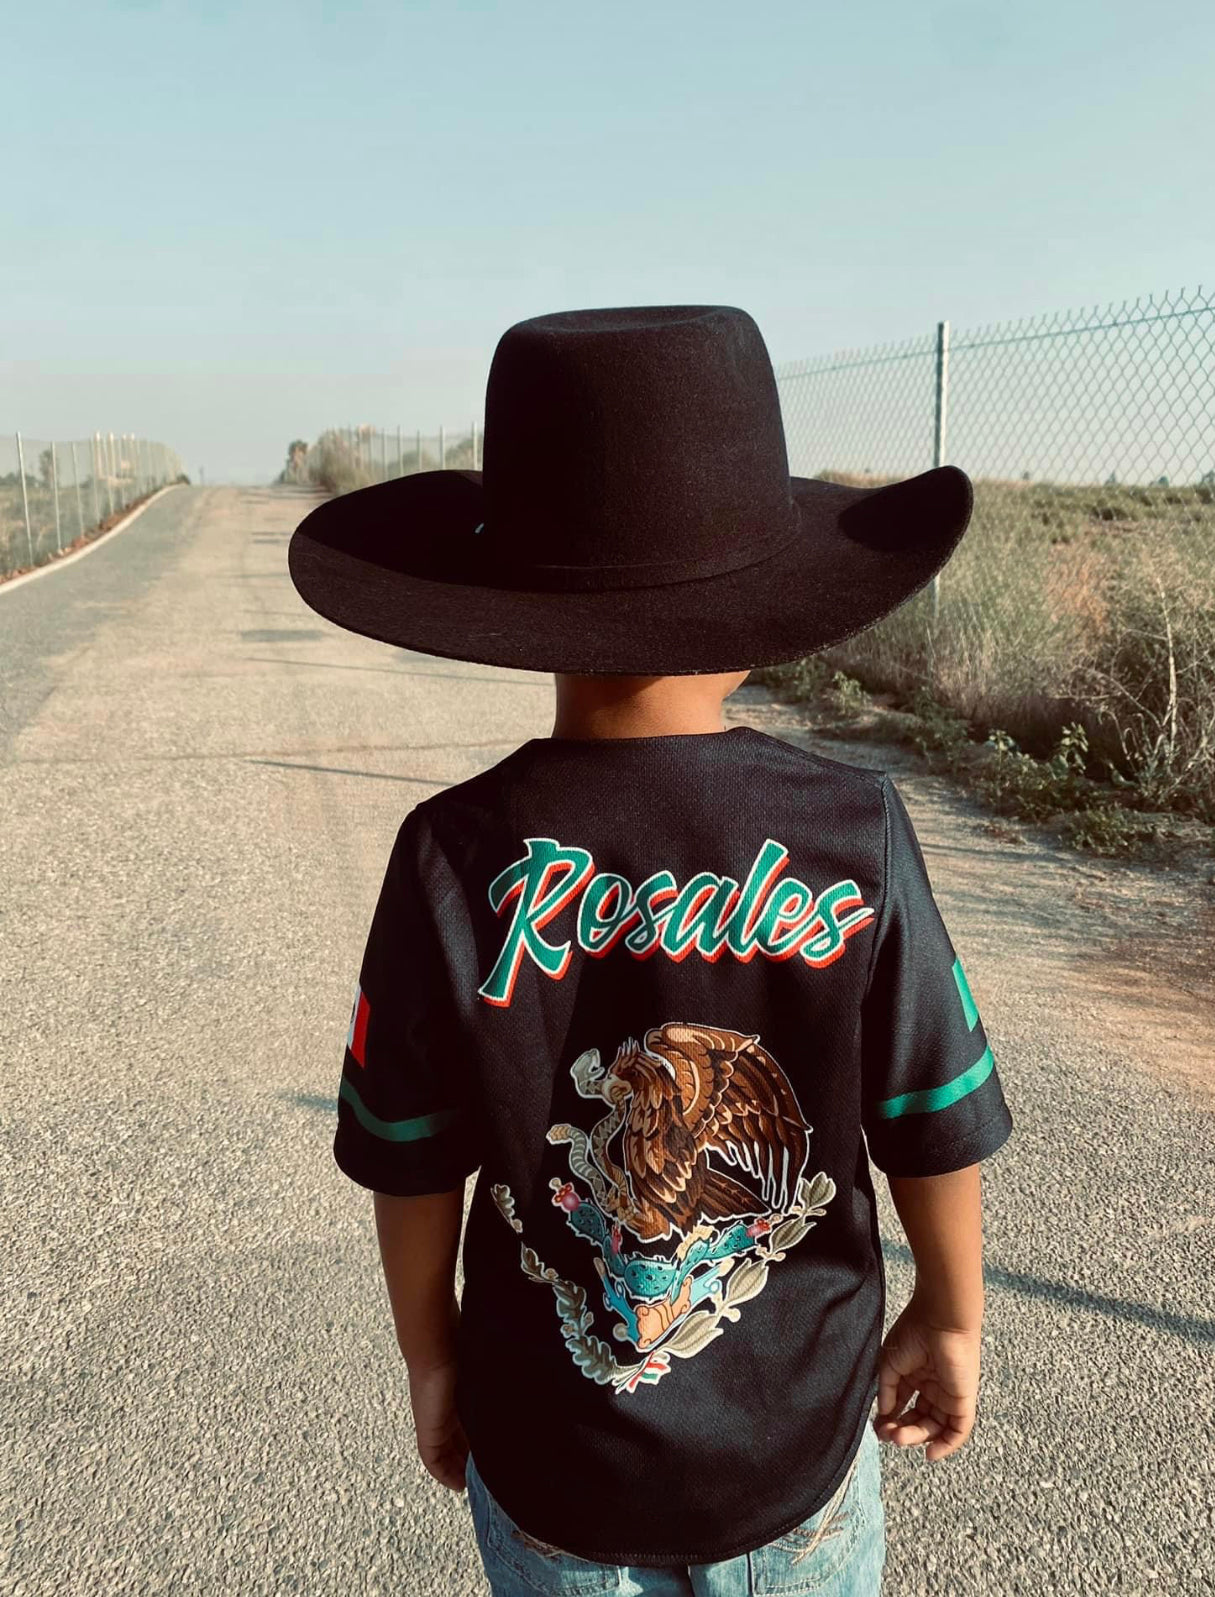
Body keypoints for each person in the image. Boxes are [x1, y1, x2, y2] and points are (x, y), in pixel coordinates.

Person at [288, 304, 1015, 1596]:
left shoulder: (449, 855)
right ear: (758, 599)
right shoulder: (849, 831)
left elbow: (409, 1156)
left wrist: (433, 1354)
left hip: (554, 1471)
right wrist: (952, 1312)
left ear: (519, 607)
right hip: (795, 1465)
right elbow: (931, 1113)